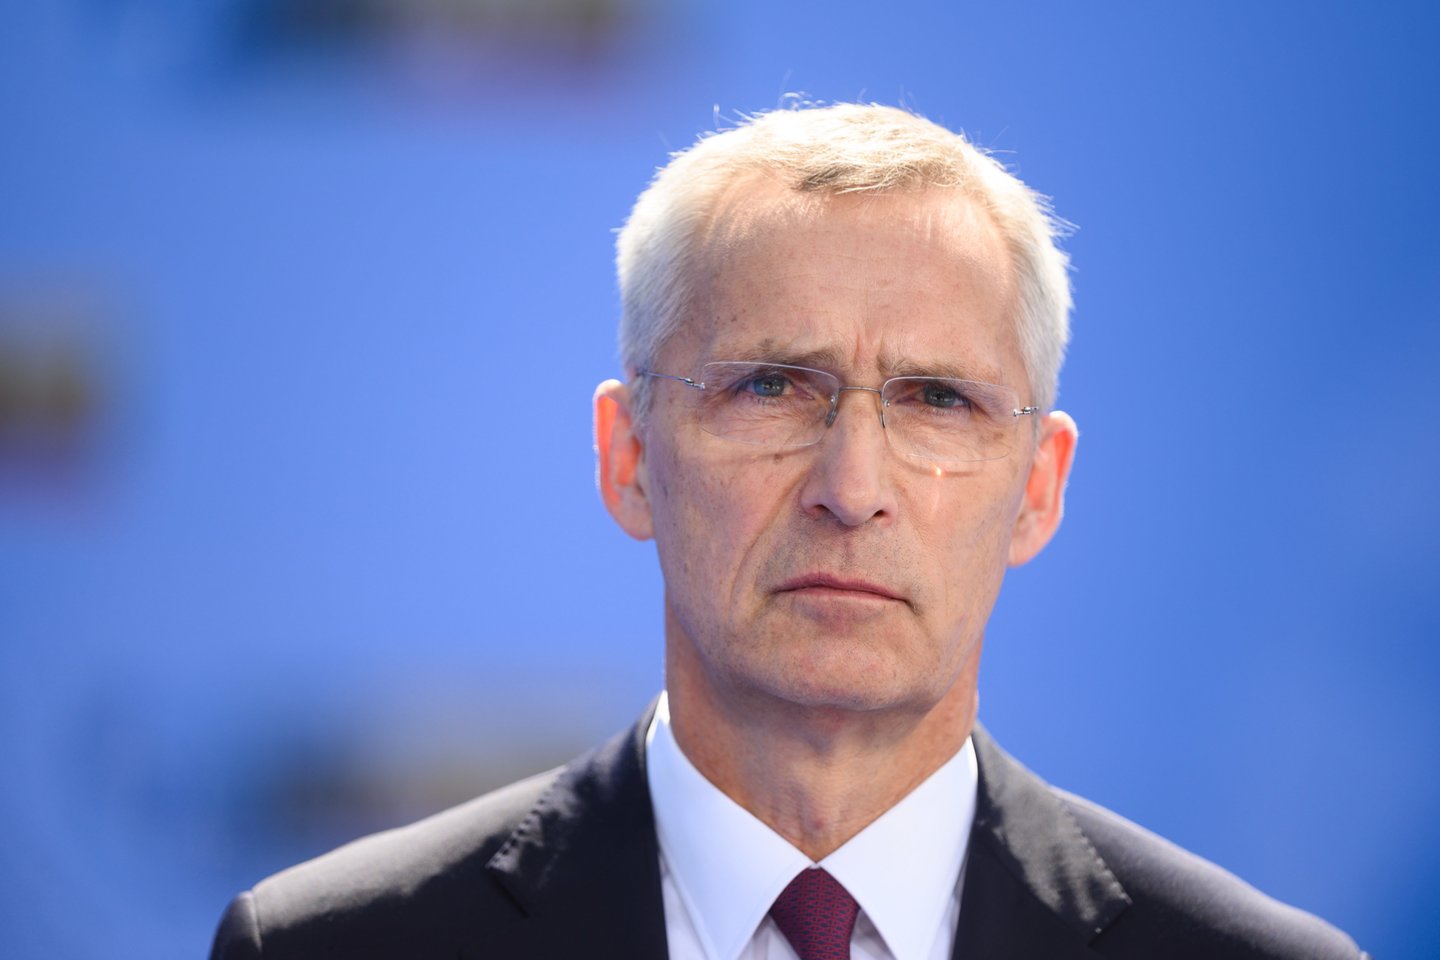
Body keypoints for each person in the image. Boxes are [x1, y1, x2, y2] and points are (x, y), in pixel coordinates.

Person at [210, 103, 1367, 960]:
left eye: (937, 400)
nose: (851, 488)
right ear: (629, 458)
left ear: (1038, 490)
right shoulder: (329, 950)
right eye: (771, 387)